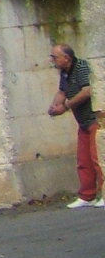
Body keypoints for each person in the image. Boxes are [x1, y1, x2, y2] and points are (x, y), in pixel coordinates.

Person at [49, 43, 100, 208]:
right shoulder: (64, 73)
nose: (53, 60)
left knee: (97, 158)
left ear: (67, 58)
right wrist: (54, 107)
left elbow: (87, 91)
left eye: (55, 57)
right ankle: (87, 195)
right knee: (83, 160)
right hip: (82, 122)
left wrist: (66, 106)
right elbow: (62, 92)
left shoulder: (82, 67)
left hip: (94, 119)